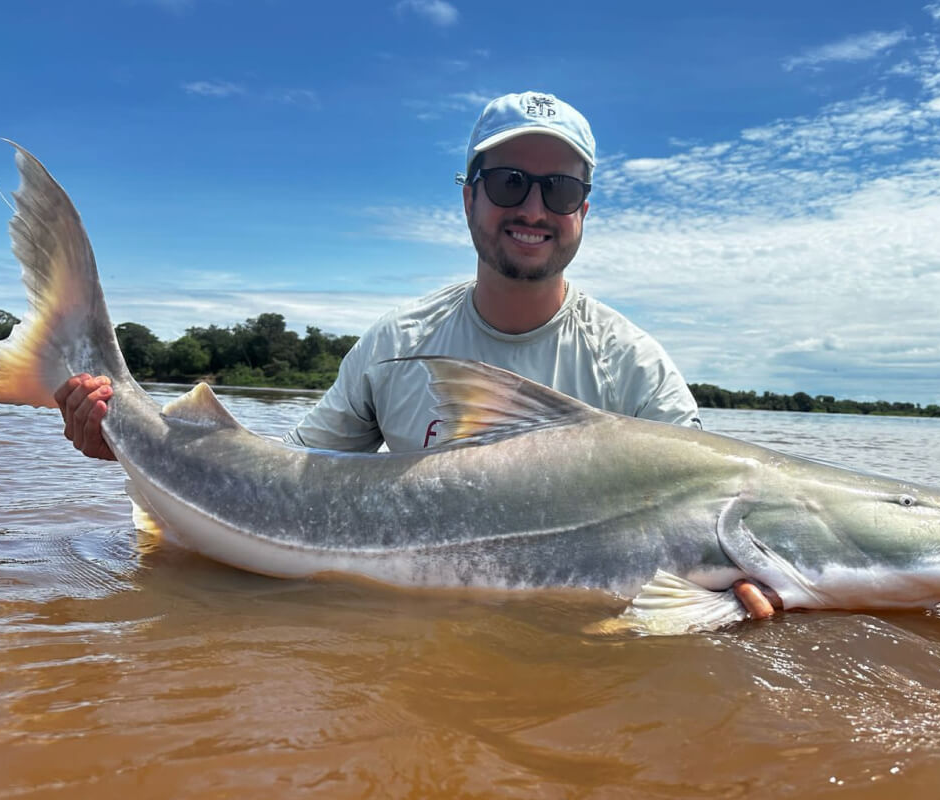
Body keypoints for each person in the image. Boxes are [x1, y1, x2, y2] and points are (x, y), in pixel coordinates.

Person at [55, 90, 778, 617]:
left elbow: (705, 501)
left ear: (583, 211)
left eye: (559, 189)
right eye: (508, 182)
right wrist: (125, 439)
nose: (533, 208)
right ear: (468, 198)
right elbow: (285, 479)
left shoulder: (633, 365)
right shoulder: (397, 344)